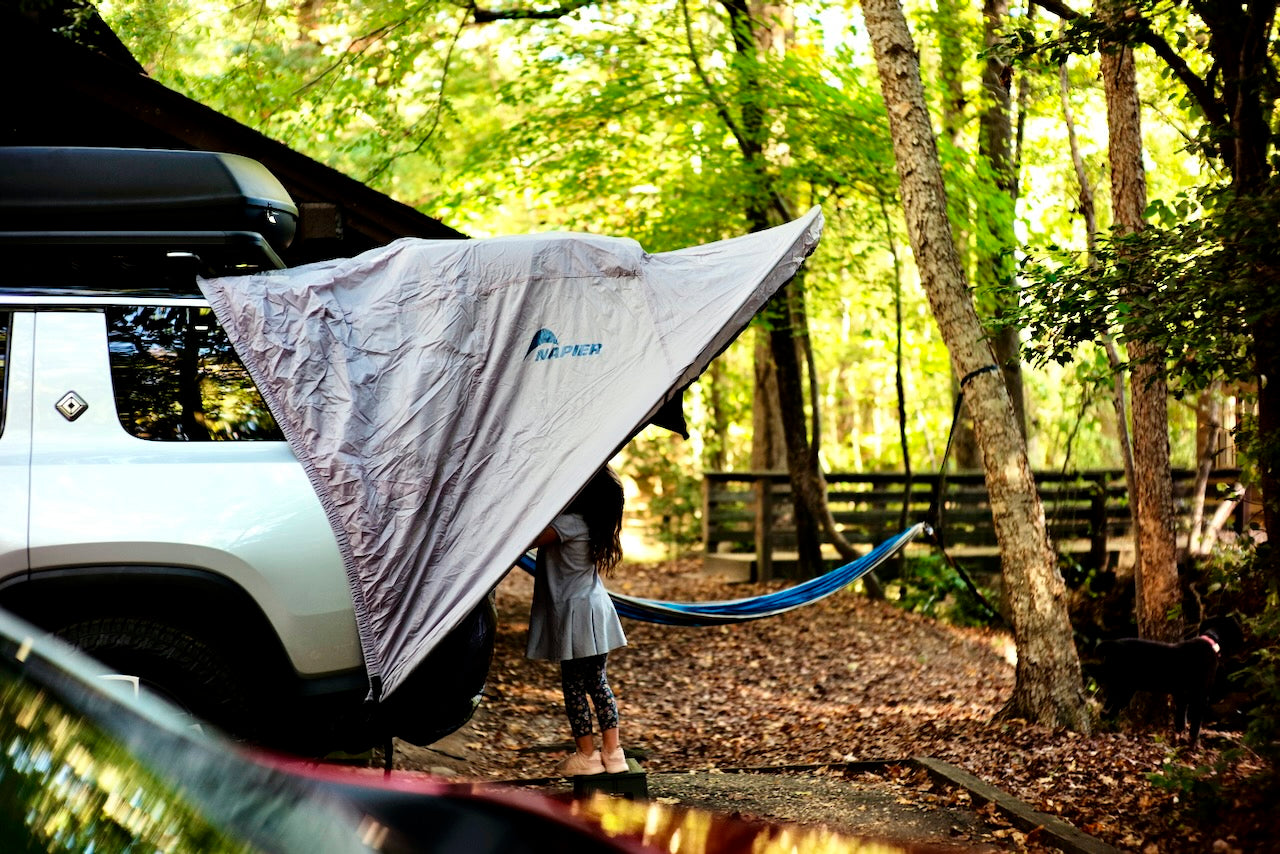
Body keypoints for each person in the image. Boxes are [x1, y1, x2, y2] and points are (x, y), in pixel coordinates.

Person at [526, 466, 629, 776]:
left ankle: (586, 754)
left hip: (577, 615)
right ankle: (613, 754)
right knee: (598, 682)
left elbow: (527, 539)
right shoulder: (591, 526)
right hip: (596, 609)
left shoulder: (567, 524)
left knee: (573, 686)